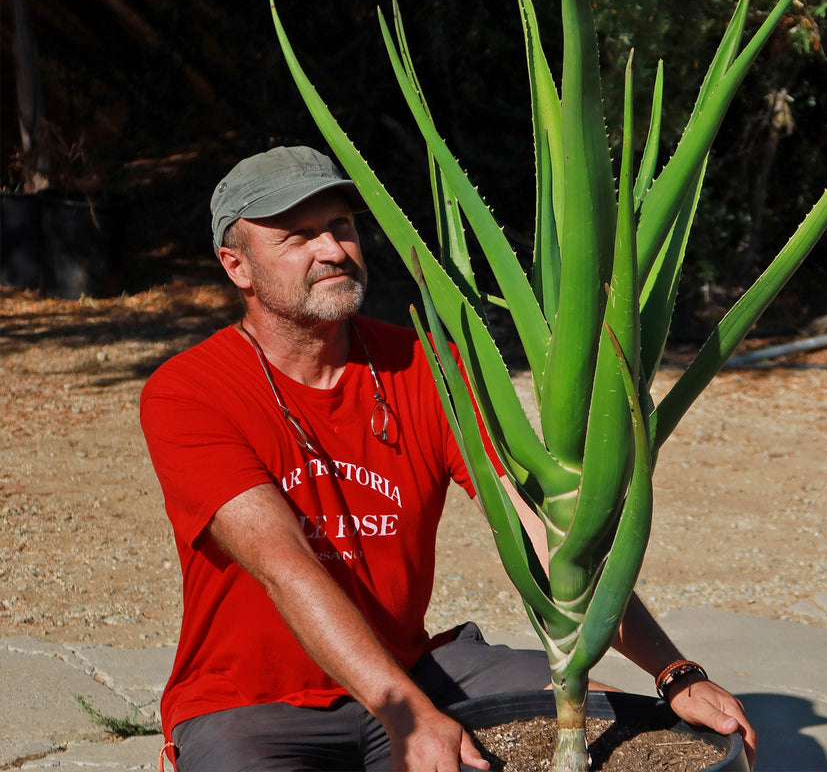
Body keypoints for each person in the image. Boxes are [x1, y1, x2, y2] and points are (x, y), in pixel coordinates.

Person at [141, 145, 757, 772]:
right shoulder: (190, 392)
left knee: (620, 730)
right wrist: (407, 714)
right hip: (249, 706)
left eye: (341, 225)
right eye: (297, 237)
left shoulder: (428, 366)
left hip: (414, 669)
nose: (331, 249)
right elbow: (284, 566)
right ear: (238, 267)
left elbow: (543, 536)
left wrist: (674, 671)